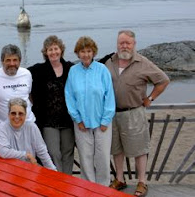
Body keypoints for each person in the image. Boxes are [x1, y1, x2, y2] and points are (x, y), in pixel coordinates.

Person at [99, 30, 170, 197]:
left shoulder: (143, 62)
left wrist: (150, 98)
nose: (124, 45)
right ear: (117, 44)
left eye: (127, 43)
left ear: (134, 44)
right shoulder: (108, 62)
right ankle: (119, 179)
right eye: (121, 42)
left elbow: (164, 80)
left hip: (134, 113)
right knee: (116, 149)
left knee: (139, 149)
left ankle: (141, 182)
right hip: (112, 114)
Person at [65, 36, 115, 186]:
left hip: (102, 122)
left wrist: (106, 120)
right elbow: (70, 96)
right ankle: (88, 187)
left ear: (93, 52)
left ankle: (103, 187)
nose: (86, 54)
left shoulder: (102, 70)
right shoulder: (73, 71)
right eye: (82, 51)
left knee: (103, 157)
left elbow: (109, 96)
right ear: (77, 53)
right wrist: (78, 119)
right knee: (85, 157)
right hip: (81, 123)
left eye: (89, 51)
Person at [28, 35, 75, 174]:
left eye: (56, 48)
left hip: (68, 119)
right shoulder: (38, 70)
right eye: (50, 49)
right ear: (45, 52)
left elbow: (88, 68)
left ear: (61, 50)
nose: (53, 52)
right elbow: (19, 72)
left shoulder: (70, 68)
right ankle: (57, 182)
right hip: (48, 121)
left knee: (68, 152)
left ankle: (67, 181)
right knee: (53, 153)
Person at [0, 98, 56, 170]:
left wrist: (53, 171)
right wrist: (26, 155)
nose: (17, 117)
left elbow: (42, 152)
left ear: (25, 115)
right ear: (8, 114)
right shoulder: (2, 128)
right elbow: (3, 152)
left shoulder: (32, 127)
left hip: (29, 168)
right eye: (13, 113)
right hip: (8, 169)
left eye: (20, 113)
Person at [0, 44, 35, 127]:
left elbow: (29, 96)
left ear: (20, 61)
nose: (12, 64)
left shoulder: (27, 74)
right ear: (2, 61)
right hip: (5, 128)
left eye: (15, 60)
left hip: (29, 124)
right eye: (8, 60)